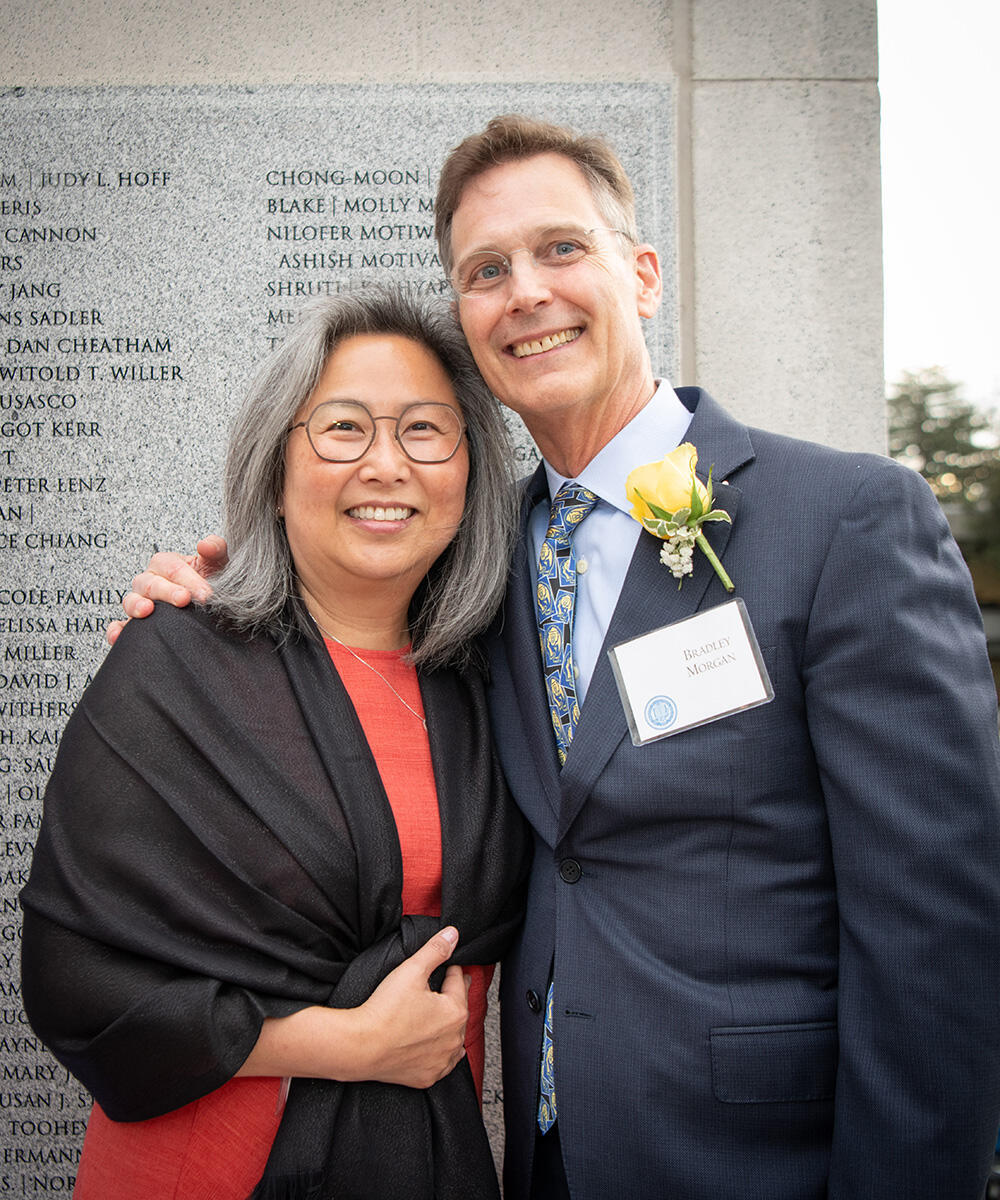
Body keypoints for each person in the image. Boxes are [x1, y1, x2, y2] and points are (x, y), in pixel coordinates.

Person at [111, 115, 1000, 1199]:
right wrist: (207, 607)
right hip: (545, 1159)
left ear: (642, 275)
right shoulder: (469, 563)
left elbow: (936, 930)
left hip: (767, 1157)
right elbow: (342, 634)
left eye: (560, 249)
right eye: (485, 270)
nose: (524, 291)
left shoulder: (846, 520)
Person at [20, 288, 531, 1200]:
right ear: (277, 461)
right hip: (205, 1166)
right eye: (342, 428)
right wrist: (348, 1044)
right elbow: (74, 979)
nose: (387, 464)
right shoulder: (179, 662)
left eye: (426, 430)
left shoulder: (492, 685)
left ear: (471, 471)